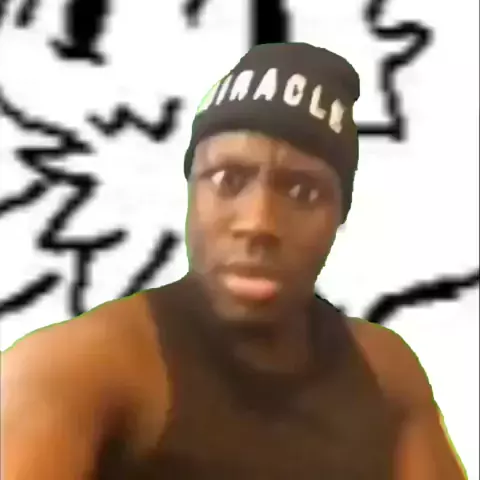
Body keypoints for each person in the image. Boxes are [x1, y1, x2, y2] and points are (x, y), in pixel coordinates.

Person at [1, 42, 466, 480]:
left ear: (339, 215)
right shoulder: (74, 367)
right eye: (227, 180)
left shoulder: (384, 372)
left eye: (303, 192)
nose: (259, 223)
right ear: (191, 190)